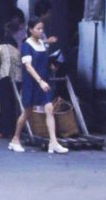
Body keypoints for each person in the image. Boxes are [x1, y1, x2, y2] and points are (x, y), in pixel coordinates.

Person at [10, 17, 68, 154]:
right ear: (31, 30)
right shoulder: (26, 45)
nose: (41, 31)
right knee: (27, 112)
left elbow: (43, 61)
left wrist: (51, 65)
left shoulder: (42, 44)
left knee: (49, 109)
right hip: (33, 83)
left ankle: (53, 142)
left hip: (44, 81)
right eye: (38, 29)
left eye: (42, 28)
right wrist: (40, 81)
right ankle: (15, 138)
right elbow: (28, 67)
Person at [0, 21, 22, 145]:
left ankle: (4, 130)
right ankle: (14, 129)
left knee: (4, 103)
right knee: (14, 104)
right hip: (18, 79)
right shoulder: (17, 50)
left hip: (5, 76)